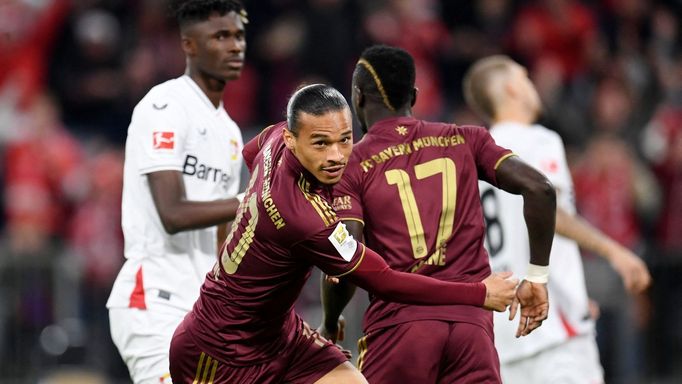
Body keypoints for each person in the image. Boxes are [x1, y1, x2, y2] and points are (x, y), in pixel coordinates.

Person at [169, 83, 520, 383]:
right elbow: (383, 280)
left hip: (281, 335)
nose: (337, 156)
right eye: (321, 144)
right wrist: (478, 294)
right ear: (293, 140)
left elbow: (251, 153)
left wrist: (254, 218)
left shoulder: (274, 139)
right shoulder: (306, 220)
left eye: (345, 140)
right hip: (219, 352)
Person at [320, 45, 557, 384]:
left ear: (357, 97)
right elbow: (541, 189)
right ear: (414, 96)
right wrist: (536, 277)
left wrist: (330, 320)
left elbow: (345, 259)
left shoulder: (351, 166)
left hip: (400, 332)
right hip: (471, 331)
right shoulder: (465, 139)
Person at [463, 55, 652, 384]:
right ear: (512, 88)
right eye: (525, 78)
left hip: (504, 338)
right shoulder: (539, 140)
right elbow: (552, 213)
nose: (531, 86)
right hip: (553, 331)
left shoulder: (474, 157)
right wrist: (614, 251)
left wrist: (574, 290)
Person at [106, 1, 248, 383]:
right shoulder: (164, 106)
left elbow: (223, 234)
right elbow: (172, 214)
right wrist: (251, 203)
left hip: (200, 307)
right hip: (153, 296)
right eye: (220, 36)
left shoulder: (230, 131)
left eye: (238, 35)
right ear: (189, 45)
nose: (235, 46)